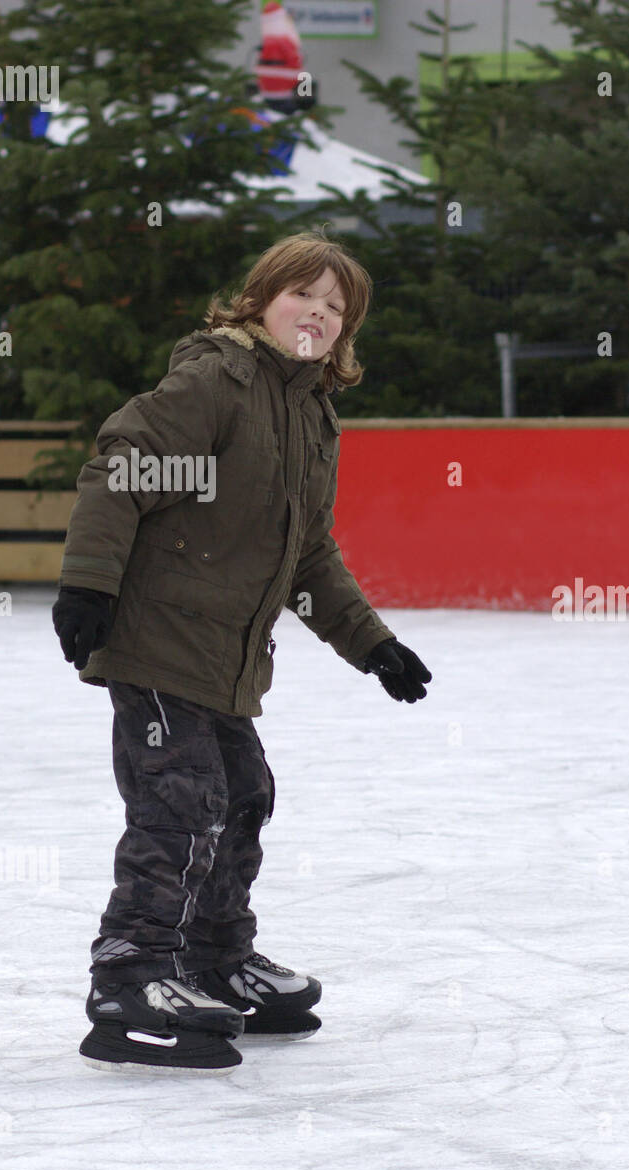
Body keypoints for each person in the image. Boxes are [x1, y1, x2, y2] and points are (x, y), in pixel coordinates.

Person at [51, 231, 430, 1075]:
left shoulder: (309, 413)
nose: (318, 315)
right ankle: (131, 980)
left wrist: (375, 645)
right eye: (303, 295)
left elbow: (309, 559)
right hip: (156, 642)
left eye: (335, 308)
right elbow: (124, 467)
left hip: (226, 660)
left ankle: (215, 959)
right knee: (182, 804)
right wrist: (89, 584)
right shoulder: (220, 378)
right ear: (262, 299)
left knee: (244, 795)